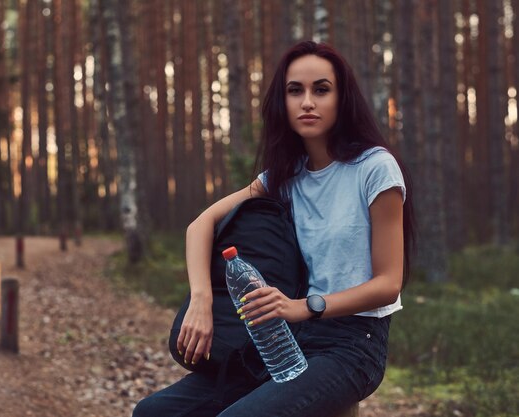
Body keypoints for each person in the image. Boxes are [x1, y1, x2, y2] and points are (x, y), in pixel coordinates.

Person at [133, 40, 415, 417]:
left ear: (342, 99)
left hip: (353, 345)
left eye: (321, 89)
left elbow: (388, 283)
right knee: (153, 412)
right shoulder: (286, 176)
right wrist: (199, 301)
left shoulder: (375, 168)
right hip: (285, 340)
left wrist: (303, 307)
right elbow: (201, 224)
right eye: (295, 91)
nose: (307, 102)